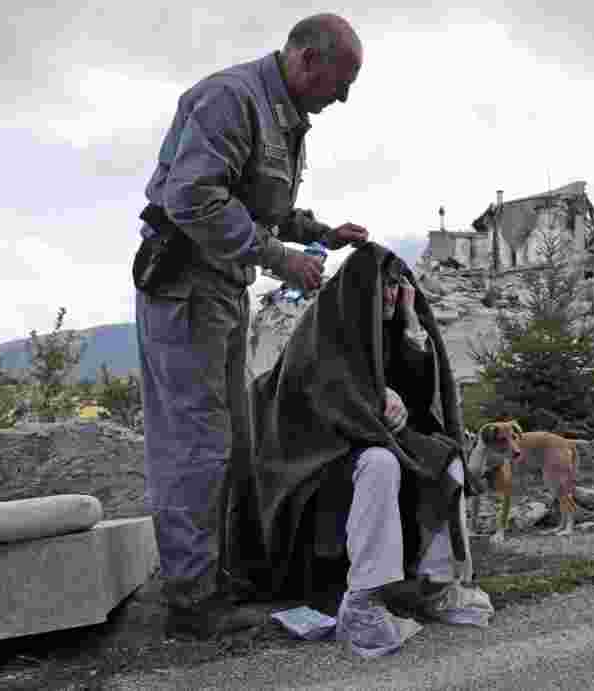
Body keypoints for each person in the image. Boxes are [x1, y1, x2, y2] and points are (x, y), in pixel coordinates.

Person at [134, 13, 369, 639]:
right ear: (305, 58)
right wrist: (281, 259)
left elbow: (263, 204)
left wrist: (319, 234)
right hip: (185, 290)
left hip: (222, 292)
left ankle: (217, 580)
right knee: (196, 445)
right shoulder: (230, 98)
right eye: (340, 82)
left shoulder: (282, 115)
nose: (341, 97)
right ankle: (191, 604)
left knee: (234, 441)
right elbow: (192, 198)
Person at [242, 243, 493, 657]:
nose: (394, 293)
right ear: (362, 288)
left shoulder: (390, 333)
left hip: (369, 444)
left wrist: (411, 322)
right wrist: (371, 397)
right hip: (316, 465)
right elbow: (315, 397)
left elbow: (417, 398)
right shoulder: (323, 330)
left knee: (446, 458)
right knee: (380, 463)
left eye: (399, 285)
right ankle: (362, 602)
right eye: (386, 285)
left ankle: (437, 584)